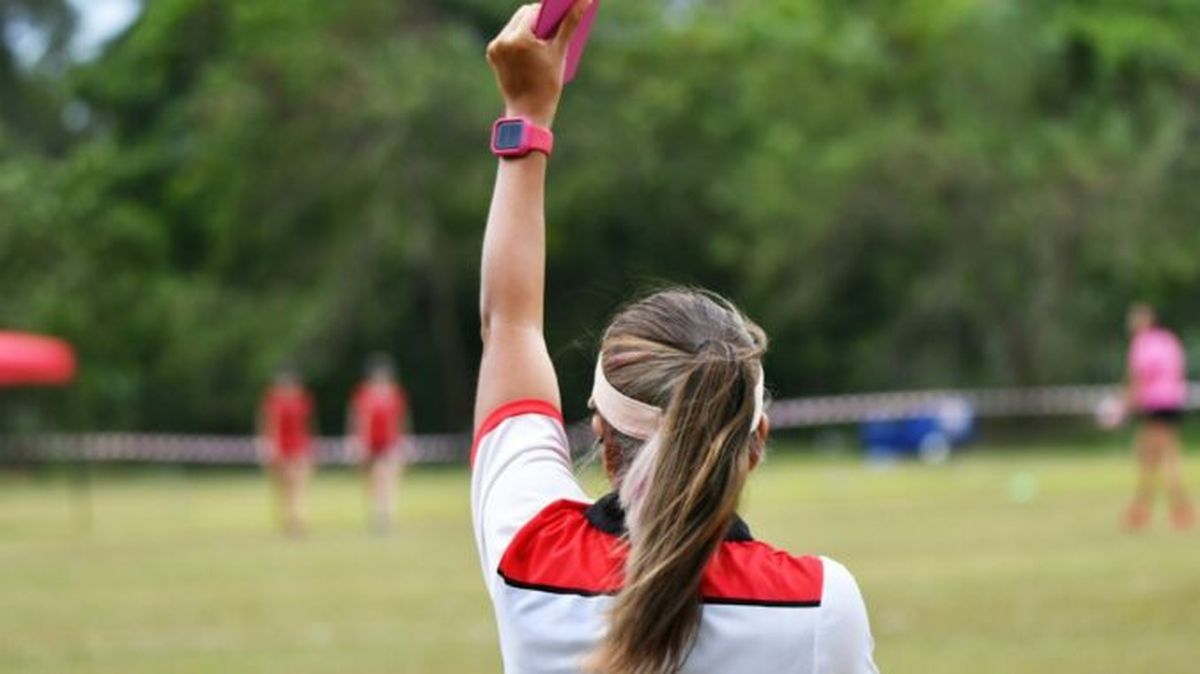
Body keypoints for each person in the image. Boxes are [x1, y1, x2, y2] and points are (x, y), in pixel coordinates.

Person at [470, 3, 878, 672]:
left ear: (602, 436)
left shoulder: (529, 557)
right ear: (755, 442)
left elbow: (508, 325)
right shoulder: (817, 606)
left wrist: (527, 114)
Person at [1123, 303, 1193, 530]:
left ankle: (1171, 508)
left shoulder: (1141, 344)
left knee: (1157, 457)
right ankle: (1144, 507)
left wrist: (1124, 407)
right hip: (1173, 402)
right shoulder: (1169, 340)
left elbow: (1137, 379)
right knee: (1156, 455)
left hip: (1154, 403)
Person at [347, 353, 409, 532]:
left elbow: (401, 419)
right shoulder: (363, 394)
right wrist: (357, 442)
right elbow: (356, 418)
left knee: (387, 477)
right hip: (369, 444)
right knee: (373, 480)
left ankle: (386, 512)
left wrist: (402, 442)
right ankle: (377, 511)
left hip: (389, 443)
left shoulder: (395, 394)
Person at [259, 364, 315, 537]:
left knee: (298, 486)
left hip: (299, 447)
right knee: (285, 488)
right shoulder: (274, 401)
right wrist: (270, 447)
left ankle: (297, 521)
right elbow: (269, 425)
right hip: (282, 448)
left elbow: (308, 425)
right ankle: (289, 521)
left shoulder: (302, 400)